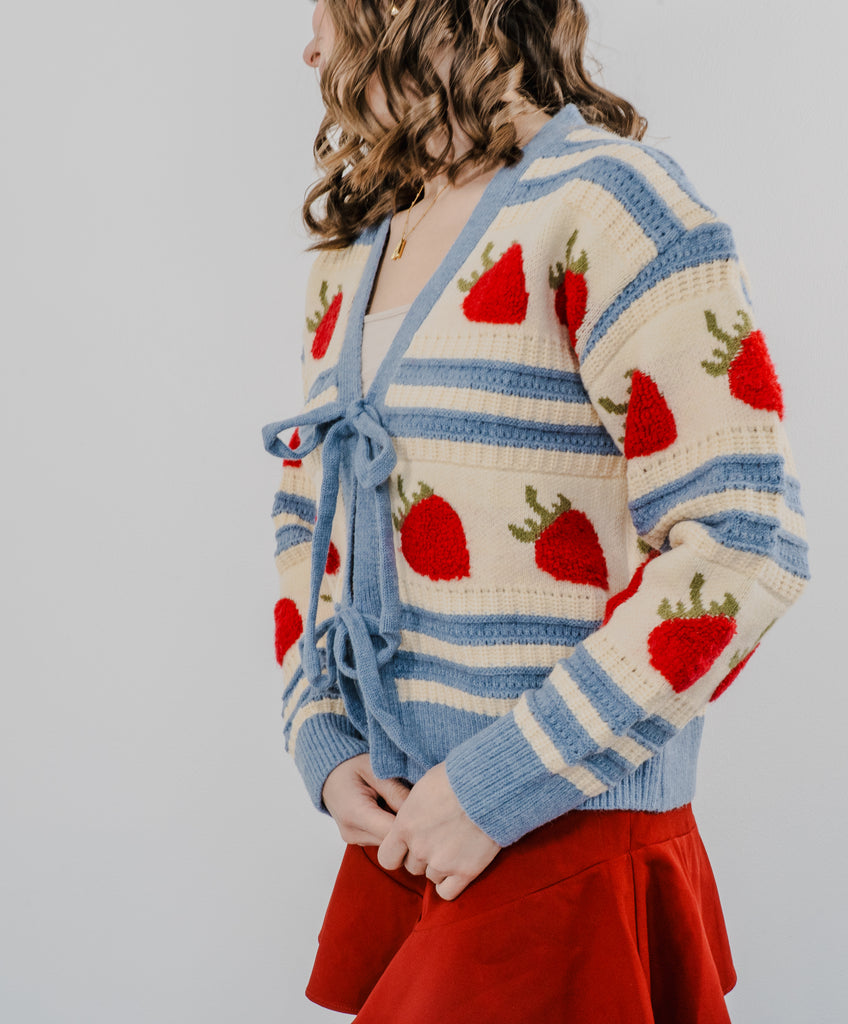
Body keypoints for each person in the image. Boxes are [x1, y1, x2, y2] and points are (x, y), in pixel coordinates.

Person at [262, 1, 811, 1020]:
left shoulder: (611, 204)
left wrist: (500, 781)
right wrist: (321, 740)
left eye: (325, 13)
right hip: (410, 835)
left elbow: (744, 541)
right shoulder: (359, 241)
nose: (309, 47)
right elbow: (309, 517)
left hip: (561, 833)